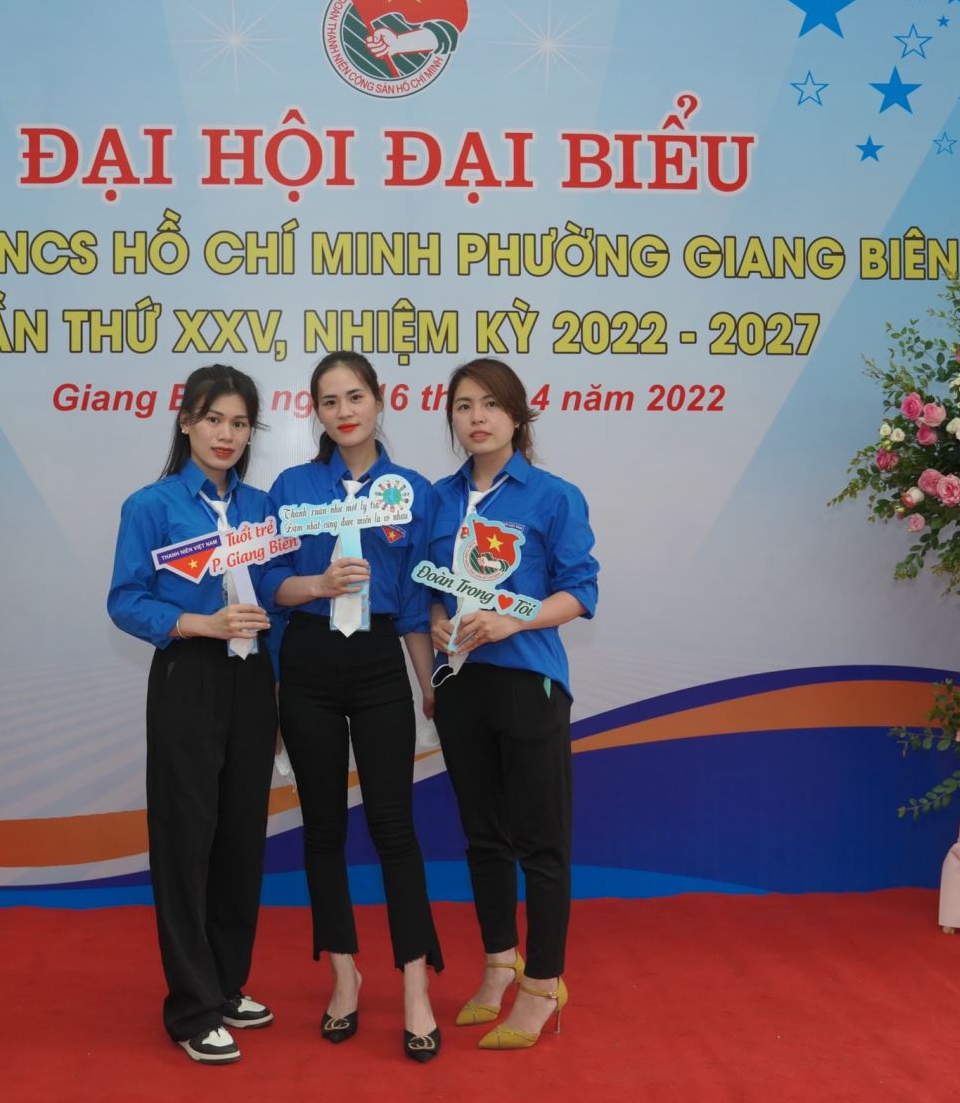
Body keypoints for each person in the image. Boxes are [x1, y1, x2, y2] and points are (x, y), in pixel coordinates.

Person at [259, 352, 445, 1063]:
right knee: (323, 829)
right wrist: (317, 584)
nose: (344, 411)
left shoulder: (412, 491)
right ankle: (344, 976)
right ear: (315, 411)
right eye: (330, 400)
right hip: (308, 663)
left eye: (356, 396)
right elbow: (270, 582)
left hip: (377, 663)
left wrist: (429, 684)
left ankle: (416, 984)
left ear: (379, 401)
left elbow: (418, 603)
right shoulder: (292, 487)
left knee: (395, 829)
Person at [107, 364, 278, 1065]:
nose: (226, 435)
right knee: (186, 841)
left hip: (253, 680)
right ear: (186, 422)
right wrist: (197, 624)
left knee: (241, 838)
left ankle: (226, 983)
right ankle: (191, 1008)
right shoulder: (151, 506)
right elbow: (125, 600)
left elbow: (277, 594)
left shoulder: (263, 508)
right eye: (213, 420)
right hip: (189, 673)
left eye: (239, 423)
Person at [426, 358, 599, 1051]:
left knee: (541, 843)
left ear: (518, 415)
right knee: (483, 838)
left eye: (492, 405)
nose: (478, 418)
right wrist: (439, 625)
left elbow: (580, 592)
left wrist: (513, 619)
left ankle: (544, 984)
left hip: (529, 682)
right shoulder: (438, 499)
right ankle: (500, 963)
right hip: (460, 686)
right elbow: (429, 592)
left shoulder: (553, 496)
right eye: (464, 406)